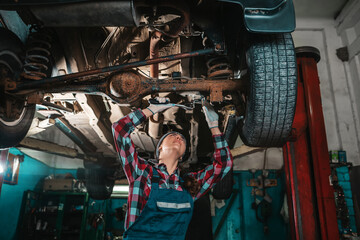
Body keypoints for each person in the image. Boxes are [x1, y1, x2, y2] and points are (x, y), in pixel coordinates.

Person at [112, 97, 233, 240]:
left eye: (182, 138)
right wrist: (151, 110)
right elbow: (120, 129)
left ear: (182, 156)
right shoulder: (142, 173)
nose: (178, 137)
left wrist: (214, 126)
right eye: (172, 135)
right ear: (160, 148)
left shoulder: (190, 185)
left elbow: (224, 164)